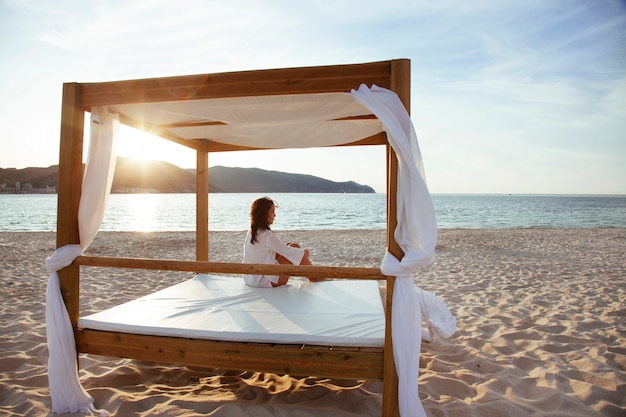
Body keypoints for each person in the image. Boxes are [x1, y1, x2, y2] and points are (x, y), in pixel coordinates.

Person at [242, 196, 316, 288]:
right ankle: (315, 277)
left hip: (251, 279)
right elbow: (289, 252)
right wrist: (306, 253)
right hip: (266, 281)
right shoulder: (267, 235)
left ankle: (313, 276)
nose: (275, 215)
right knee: (295, 249)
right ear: (265, 214)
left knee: (292, 246)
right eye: (272, 212)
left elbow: (282, 250)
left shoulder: (251, 232)